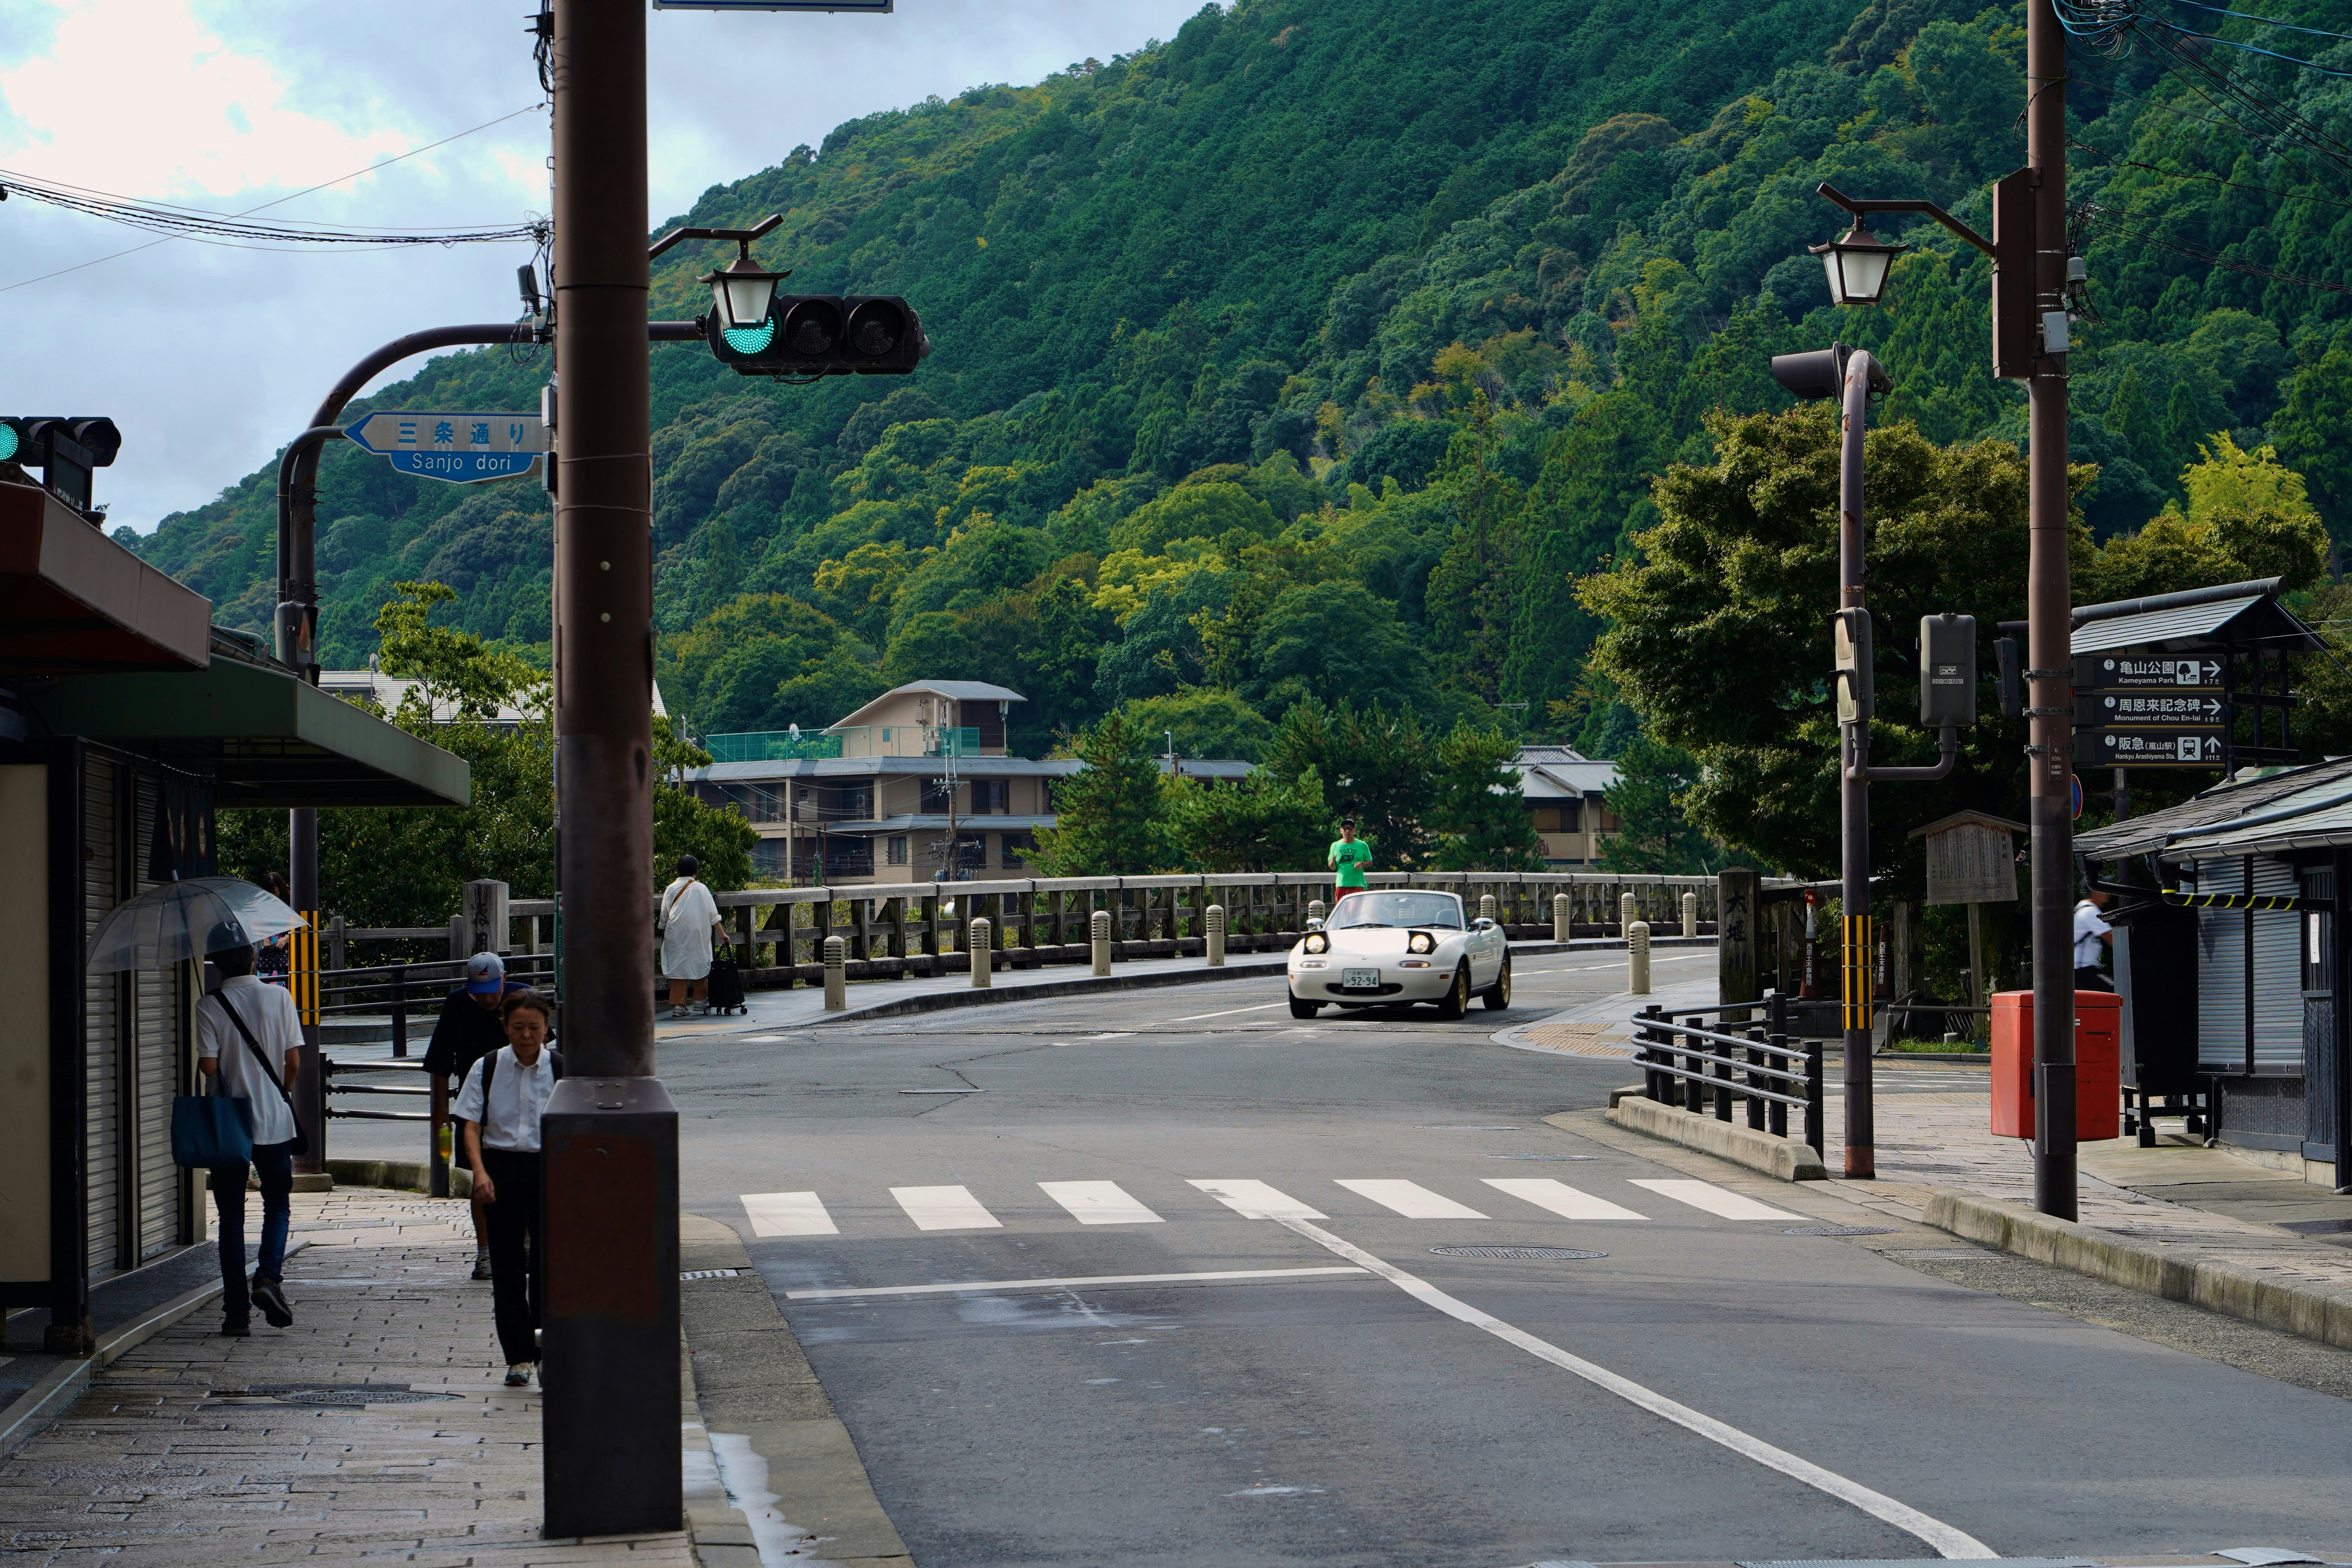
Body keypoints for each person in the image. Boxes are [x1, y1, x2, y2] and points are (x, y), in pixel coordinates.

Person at [197, 929, 303, 1337]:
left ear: (218, 964)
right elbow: (293, 1060)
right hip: (274, 1122)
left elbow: (208, 1068)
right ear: (255, 959)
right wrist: (282, 1091)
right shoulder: (280, 997)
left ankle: (235, 1314)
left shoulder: (209, 1004)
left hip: (230, 1126)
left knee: (230, 1219)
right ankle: (268, 1277)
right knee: (277, 1203)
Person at [455, 990, 562, 1388]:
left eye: (535, 1028)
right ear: (505, 1027)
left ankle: (546, 1349)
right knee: (508, 1268)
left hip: (547, 1170)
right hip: (499, 1169)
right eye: (518, 1027)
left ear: (547, 1028)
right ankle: (518, 1356)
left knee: (549, 1268)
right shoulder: (486, 1067)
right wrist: (480, 1173)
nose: (527, 1035)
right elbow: (469, 1124)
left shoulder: (561, 1069)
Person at [425, 952, 527, 1281]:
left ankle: (523, 1245)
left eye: (492, 989)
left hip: (521, 1102)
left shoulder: (522, 999)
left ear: (505, 979)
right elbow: (441, 1058)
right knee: (482, 1180)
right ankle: (485, 1254)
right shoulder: (457, 1004)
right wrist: (440, 1107)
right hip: (476, 1103)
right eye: (478, 990)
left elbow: (544, 1050)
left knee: (525, 1178)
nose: (486, 998)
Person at [659, 855, 726, 1019]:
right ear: (696, 871)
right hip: (698, 933)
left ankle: (679, 1005)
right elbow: (713, 914)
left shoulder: (671, 888)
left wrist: (663, 930)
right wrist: (723, 934)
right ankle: (700, 1000)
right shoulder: (701, 888)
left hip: (676, 932)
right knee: (701, 960)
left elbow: (664, 916)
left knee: (679, 966)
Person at [2074, 887, 2115, 993]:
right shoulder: (2090, 911)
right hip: (2083, 972)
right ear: (2094, 891)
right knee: (2118, 992)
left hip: (2078, 971)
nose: (2107, 892)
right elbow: (2114, 940)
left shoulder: (2080, 909)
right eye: (2103, 888)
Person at [1328, 818, 1373, 891]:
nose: (1348, 831)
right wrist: (1332, 862)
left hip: (1357, 884)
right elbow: (1332, 867)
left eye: (1350, 828)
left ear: (1355, 830)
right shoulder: (1335, 845)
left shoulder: (1362, 845)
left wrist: (1362, 864)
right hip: (1341, 885)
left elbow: (1370, 861)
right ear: (1341, 830)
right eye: (1345, 828)